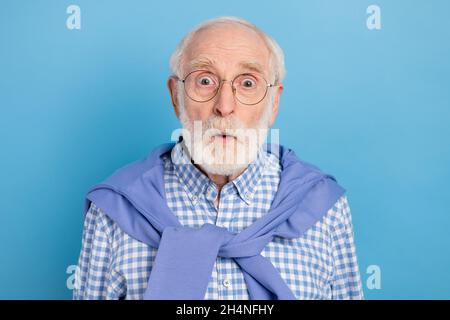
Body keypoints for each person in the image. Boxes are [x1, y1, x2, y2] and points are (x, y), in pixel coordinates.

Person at [73, 16, 364, 300]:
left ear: (274, 102)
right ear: (176, 97)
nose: (225, 106)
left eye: (248, 83)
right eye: (205, 80)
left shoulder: (323, 207)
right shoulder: (116, 210)